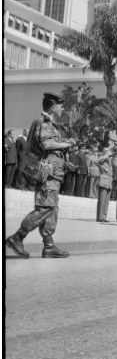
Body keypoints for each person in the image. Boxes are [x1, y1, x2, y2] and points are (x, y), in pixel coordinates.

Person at [5, 92, 75, 259]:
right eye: (60, 105)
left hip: (53, 173)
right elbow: (46, 144)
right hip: (46, 174)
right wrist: (67, 143)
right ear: (52, 107)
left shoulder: (50, 123)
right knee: (46, 207)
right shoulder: (43, 121)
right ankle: (18, 237)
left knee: (52, 208)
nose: (62, 108)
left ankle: (49, 246)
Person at [96, 150, 113, 222]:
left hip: (109, 184)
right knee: (101, 201)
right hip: (103, 183)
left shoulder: (110, 165)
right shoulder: (102, 162)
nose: (110, 158)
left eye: (110, 156)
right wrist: (105, 155)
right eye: (109, 156)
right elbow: (96, 161)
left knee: (106, 202)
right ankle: (99, 217)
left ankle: (104, 217)